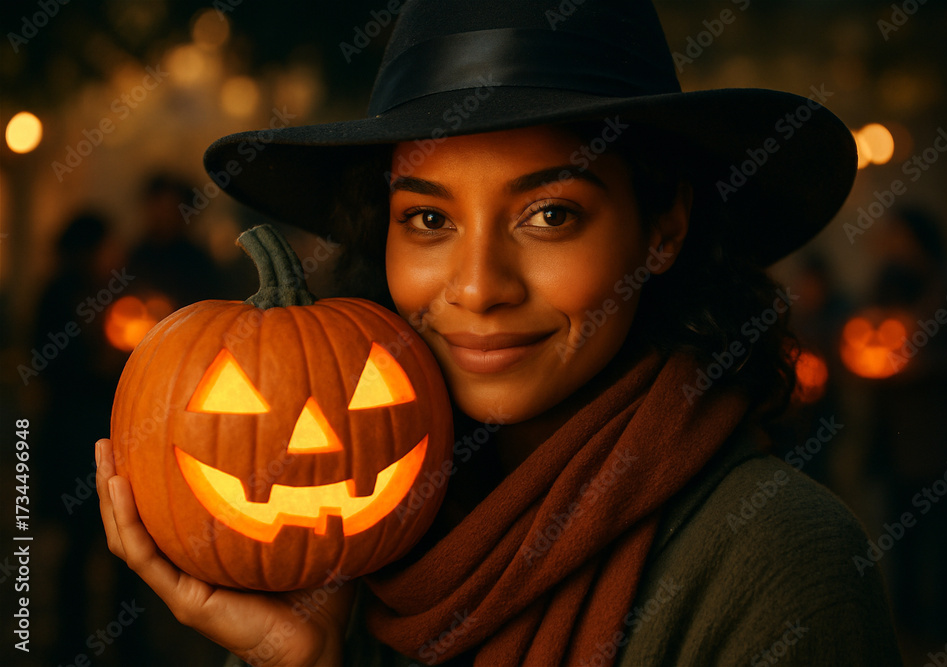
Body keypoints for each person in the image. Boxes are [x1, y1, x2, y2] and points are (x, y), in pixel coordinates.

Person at [97, 1, 904, 664]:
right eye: (427, 217)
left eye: (550, 214)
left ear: (662, 229)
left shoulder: (779, 564)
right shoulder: (359, 557)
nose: (479, 286)